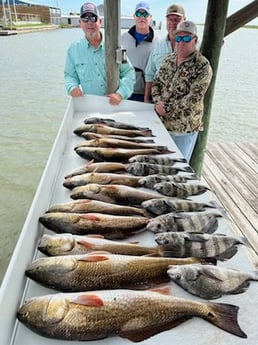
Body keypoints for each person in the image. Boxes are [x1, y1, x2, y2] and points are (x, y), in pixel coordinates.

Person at [152, 20, 213, 161]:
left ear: (195, 40)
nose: (181, 42)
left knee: (178, 169)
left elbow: (194, 98)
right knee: (159, 165)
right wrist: (157, 104)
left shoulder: (203, 66)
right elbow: (156, 84)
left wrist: (166, 107)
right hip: (162, 125)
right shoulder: (168, 60)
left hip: (183, 131)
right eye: (178, 38)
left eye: (186, 38)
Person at [64, 2, 135, 105]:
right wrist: (72, 87)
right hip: (89, 105)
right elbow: (69, 75)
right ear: (80, 22)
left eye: (93, 18)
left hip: (115, 105)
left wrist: (120, 94)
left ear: (100, 22)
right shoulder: (73, 49)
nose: (89, 22)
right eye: (85, 18)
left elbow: (129, 72)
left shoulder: (118, 47)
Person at [144, 4, 186, 103]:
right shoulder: (157, 45)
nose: (173, 23)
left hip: (183, 107)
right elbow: (149, 74)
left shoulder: (194, 45)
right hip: (159, 103)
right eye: (170, 19)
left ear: (184, 20)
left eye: (177, 19)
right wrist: (146, 100)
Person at [121, 1, 159, 102]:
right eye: (138, 14)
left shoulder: (158, 42)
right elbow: (120, 63)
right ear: (134, 16)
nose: (142, 17)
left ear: (150, 17)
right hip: (125, 91)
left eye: (145, 14)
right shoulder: (123, 38)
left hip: (146, 94)